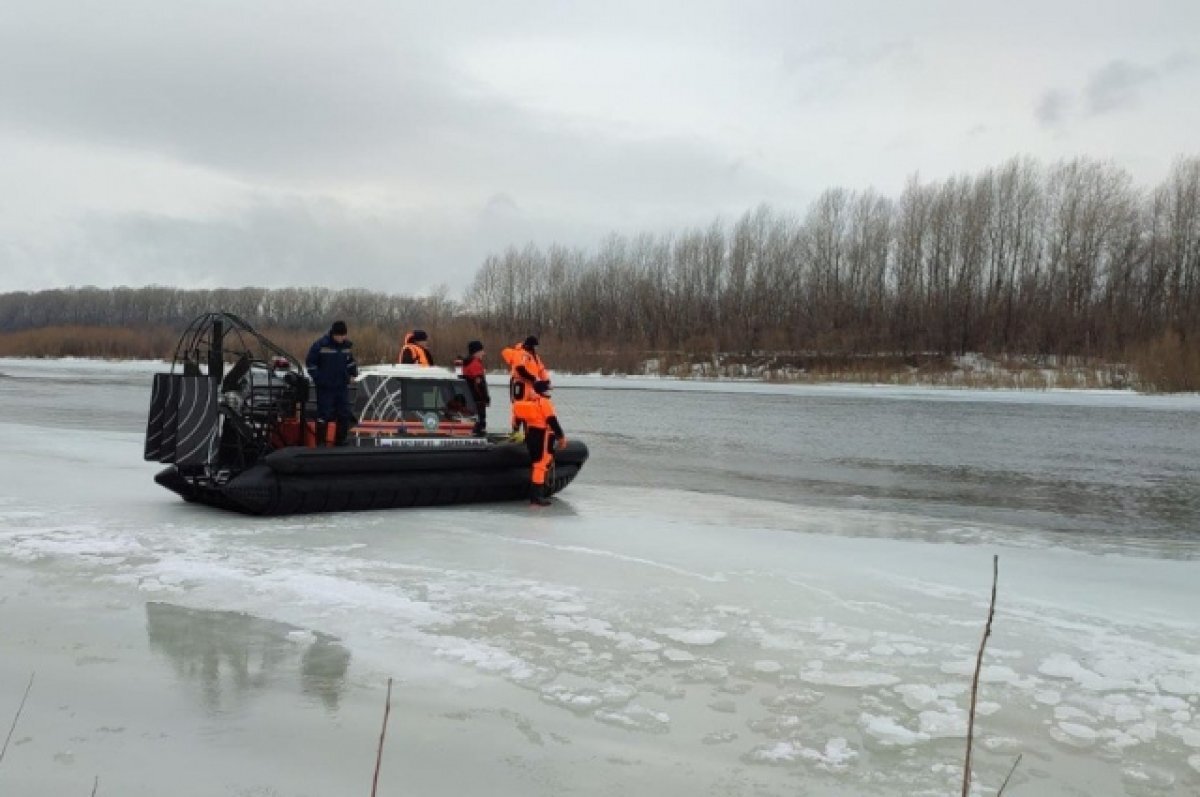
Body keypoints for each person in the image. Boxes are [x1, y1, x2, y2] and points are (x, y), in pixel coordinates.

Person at [512, 379, 566, 506]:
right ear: (543, 391)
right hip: (543, 436)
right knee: (540, 466)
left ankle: (536, 495)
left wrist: (516, 430)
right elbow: (552, 421)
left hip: (532, 435)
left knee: (537, 464)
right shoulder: (545, 402)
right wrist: (561, 437)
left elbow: (517, 418)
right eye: (548, 389)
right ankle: (537, 497)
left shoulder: (530, 403)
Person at [305, 320, 358, 446]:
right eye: (339, 335)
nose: (342, 338)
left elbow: (350, 362)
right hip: (325, 387)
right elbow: (310, 363)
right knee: (324, 414)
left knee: (344, 413)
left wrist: (353, 373)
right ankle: (321, 442)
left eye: (344, 335)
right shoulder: (320, 346)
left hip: (341, 386)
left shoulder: (346, 347)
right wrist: (319, 379)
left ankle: (341, 440)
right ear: (333, 334)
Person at [501, 335, 548, 431]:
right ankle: (516, 431)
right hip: (520, 384)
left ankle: (528, 432)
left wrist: (546, 382)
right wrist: (533, 378)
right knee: (519, 407)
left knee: (529, 408)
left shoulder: (535, 357)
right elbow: (520, 369)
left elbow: (541, 370)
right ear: (530, 345)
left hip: (530, 386)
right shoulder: (521, 354)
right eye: (534, 346)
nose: (536, 349)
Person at [460, 339, 490, 436]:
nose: (484, 353)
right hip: (477, 399)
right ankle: (479, 439)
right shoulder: (475, 364)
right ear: (476, 352)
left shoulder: (466, 363)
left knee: (474, 422)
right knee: (480, 422)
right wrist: (485, 398)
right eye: (482, 351)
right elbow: (479, 384)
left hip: (470, 398)